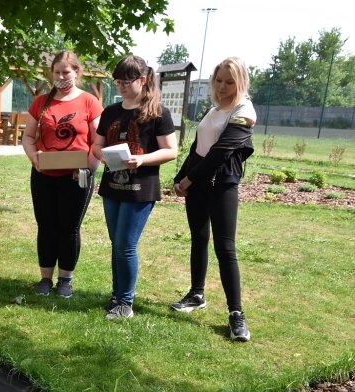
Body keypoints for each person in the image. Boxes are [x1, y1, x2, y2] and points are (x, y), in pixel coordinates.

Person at [171, 57, 256, 342]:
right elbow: (199, 147)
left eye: (229, 82)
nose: (222, 86)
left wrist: (188, 180)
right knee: (199, 238)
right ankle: (196, 294)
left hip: (222, 186)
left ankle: (236, 315)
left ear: (240, 81)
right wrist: (180, 176)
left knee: (226, 248)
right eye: (218, 80)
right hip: (198, 186)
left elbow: (219, 153)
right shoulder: (215, 108)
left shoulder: (245, 111)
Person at [92, 54, 177, 319]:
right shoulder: (110, 112)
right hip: (112, 186)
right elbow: (96, 145)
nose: (120, 86)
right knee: (116, 243)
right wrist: (102, 155)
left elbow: (171, 151)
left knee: (126, 244)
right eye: (117, 81)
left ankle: (125, 303)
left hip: (141, 189)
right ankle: (117, 297)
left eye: (126, 81)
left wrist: (141, 159)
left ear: (142, 79)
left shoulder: (158, 113)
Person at [21, 51, 103, 298]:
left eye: (66, 72)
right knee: (46, 226)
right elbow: (28, 137)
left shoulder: (89, 102)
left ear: (77, 72)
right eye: (56, 72)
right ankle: (45, 279)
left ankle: (65, 279)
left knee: (69, 228)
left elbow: (97, 140)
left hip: (76, 177)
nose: (61, 76)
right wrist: (33, 156)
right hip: (44, 175)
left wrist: (88, 169)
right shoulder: (41, 102)